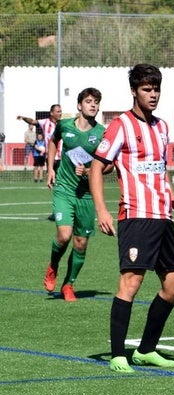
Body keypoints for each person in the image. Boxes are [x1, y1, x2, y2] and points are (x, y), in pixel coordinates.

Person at [89, 64, 174, 373]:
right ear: (134, 91)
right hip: (135, 214)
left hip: (161, 215)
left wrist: (170, 195)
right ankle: (118, 354)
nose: (153, 94)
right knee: (131, 282)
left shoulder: (162, 127)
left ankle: (145, 350)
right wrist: (102, 210)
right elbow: (96, 167)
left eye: (156, 88)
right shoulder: (120, 125)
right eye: (147, 89)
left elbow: (159, 167)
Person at [42, 88, 106, 302]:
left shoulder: (101, 134)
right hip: (64, 190)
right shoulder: (64, 125)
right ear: (79, 105)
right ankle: (53, 266)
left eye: (96, 102)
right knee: (64, 235)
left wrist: (90, 172)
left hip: (87, 195)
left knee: (81, 243)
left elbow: (109, 166)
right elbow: (53, 141)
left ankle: (69, 284)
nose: (93, 105)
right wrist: (50, 168)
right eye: (88, 101)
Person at [19, 105, 62, 219]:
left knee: (64, 184)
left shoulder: (63, 124)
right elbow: (32, 121)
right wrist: (23, 117)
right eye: (58, 111)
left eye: (60, 111)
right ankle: (57, 212)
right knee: (54, 184)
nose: (60, 113)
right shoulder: (44, 122)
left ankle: (65, 210)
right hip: (51, 159)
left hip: (63, 158)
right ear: (51, 113)